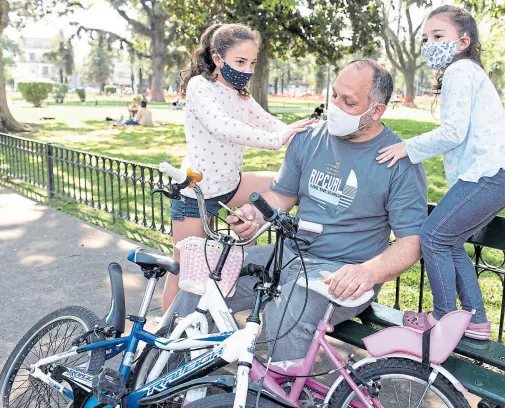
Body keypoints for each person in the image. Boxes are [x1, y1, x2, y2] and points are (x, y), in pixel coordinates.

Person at [166, 59, 427, 362]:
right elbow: (280, 194)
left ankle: (277, 394)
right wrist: (255, 213)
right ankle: (170, 381)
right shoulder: (309, 138)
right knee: (202, 282)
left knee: (284, 315)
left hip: (342, 273)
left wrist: (368, 271)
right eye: (335, 96)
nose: (336, 107)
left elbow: (411, 244)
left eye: (349, 102)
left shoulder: (400, 162)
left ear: (376, 111)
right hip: (286, 257)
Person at [377, 5, 505, 340]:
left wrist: (407, 147)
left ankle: (444, 315)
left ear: (463, 41)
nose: (429, 44)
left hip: (494, 174)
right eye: (425, 38)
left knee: (433, 236)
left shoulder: (460, 71)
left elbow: (452, 132)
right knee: (448, 240)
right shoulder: (466, 70)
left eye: (438, 36)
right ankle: (475, 321)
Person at [162, 23, 314, 311]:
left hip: (231, 185)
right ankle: (163, 339)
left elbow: (268, 121)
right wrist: (274, 140)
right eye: (240, 62)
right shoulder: (200, 87)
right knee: (184, 271)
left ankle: (262, 229)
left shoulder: (241, 92)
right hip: (197, 194)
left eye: (252, 63)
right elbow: (223, 126)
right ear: (218, 58)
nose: (246, 69)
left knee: (291, 185)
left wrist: (302, 135)